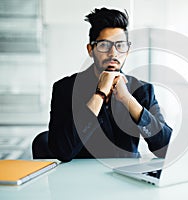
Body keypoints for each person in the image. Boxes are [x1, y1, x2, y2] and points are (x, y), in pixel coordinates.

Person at [48, 7, 172, 162]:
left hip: (128, 179)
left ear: (127, 51)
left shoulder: (142, 90)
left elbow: (166, 149)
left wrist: (128, 100)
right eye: (104, 45)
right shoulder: (65, 89)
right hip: (80, 180)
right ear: (90, 50)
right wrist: (99, 95)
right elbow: (61, 151)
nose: (113, 53)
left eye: (120, 45)